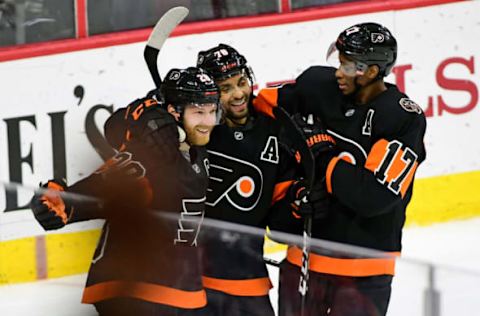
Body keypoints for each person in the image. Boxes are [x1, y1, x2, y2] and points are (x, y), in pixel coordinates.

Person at [254, 23, 427, 316]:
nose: (338, 72)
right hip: (304, 258)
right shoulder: (316, 86)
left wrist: (321, 156)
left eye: (347, 66)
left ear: (371, 71)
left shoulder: (401, 118)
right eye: (339, 62)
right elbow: (256, 107)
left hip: (365, 270)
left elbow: (374, 195)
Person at [30, 67, 219, 316]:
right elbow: (112, 182)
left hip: (177, 289)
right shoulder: (154, 153)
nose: (208, 121)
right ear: (174, 112)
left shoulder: (196, 146)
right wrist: (67, 203)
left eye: (211, 111)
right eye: (198, 112)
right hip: (136, 290)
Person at [195, 44, 298, 316]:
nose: (239, 94)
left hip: (248, 283)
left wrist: (300, 203)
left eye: (241, 82)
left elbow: (280, 223)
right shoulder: (194, 131)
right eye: (225, 88)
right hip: (190, 283)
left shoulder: (273, 130)